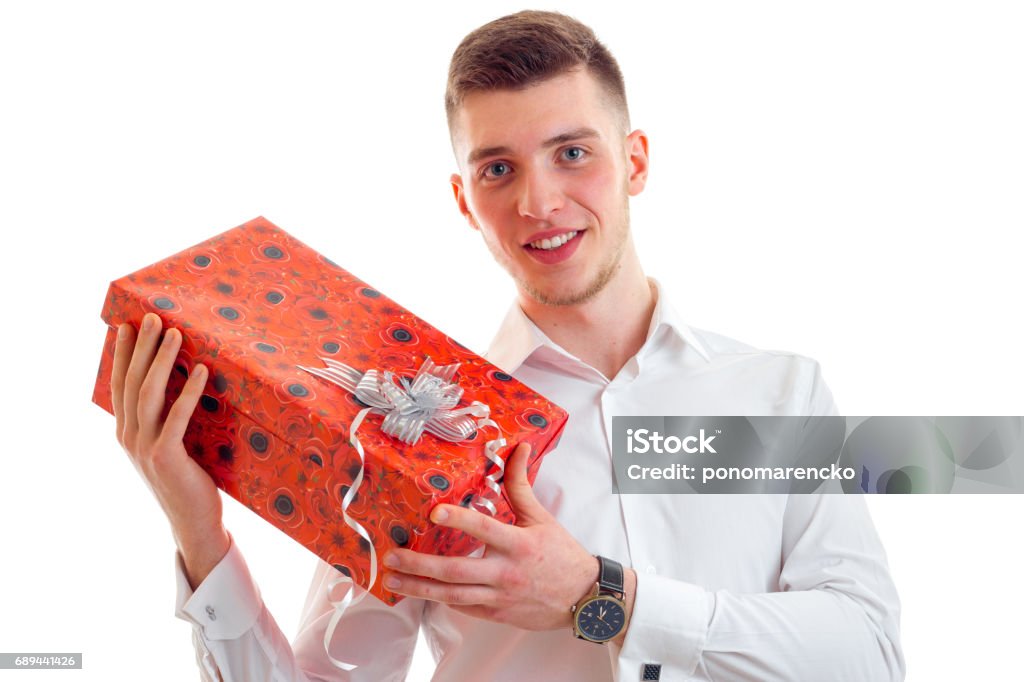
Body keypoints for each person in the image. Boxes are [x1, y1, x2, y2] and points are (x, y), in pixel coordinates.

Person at [111, 10, 905, 681]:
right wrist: (200, 538)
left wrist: (601, 597)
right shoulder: (409, 428)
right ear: (464, 198)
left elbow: (868, 651)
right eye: (498, 168)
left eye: (572, 152)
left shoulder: (779, 394)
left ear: (634, 162)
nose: (538, 201)